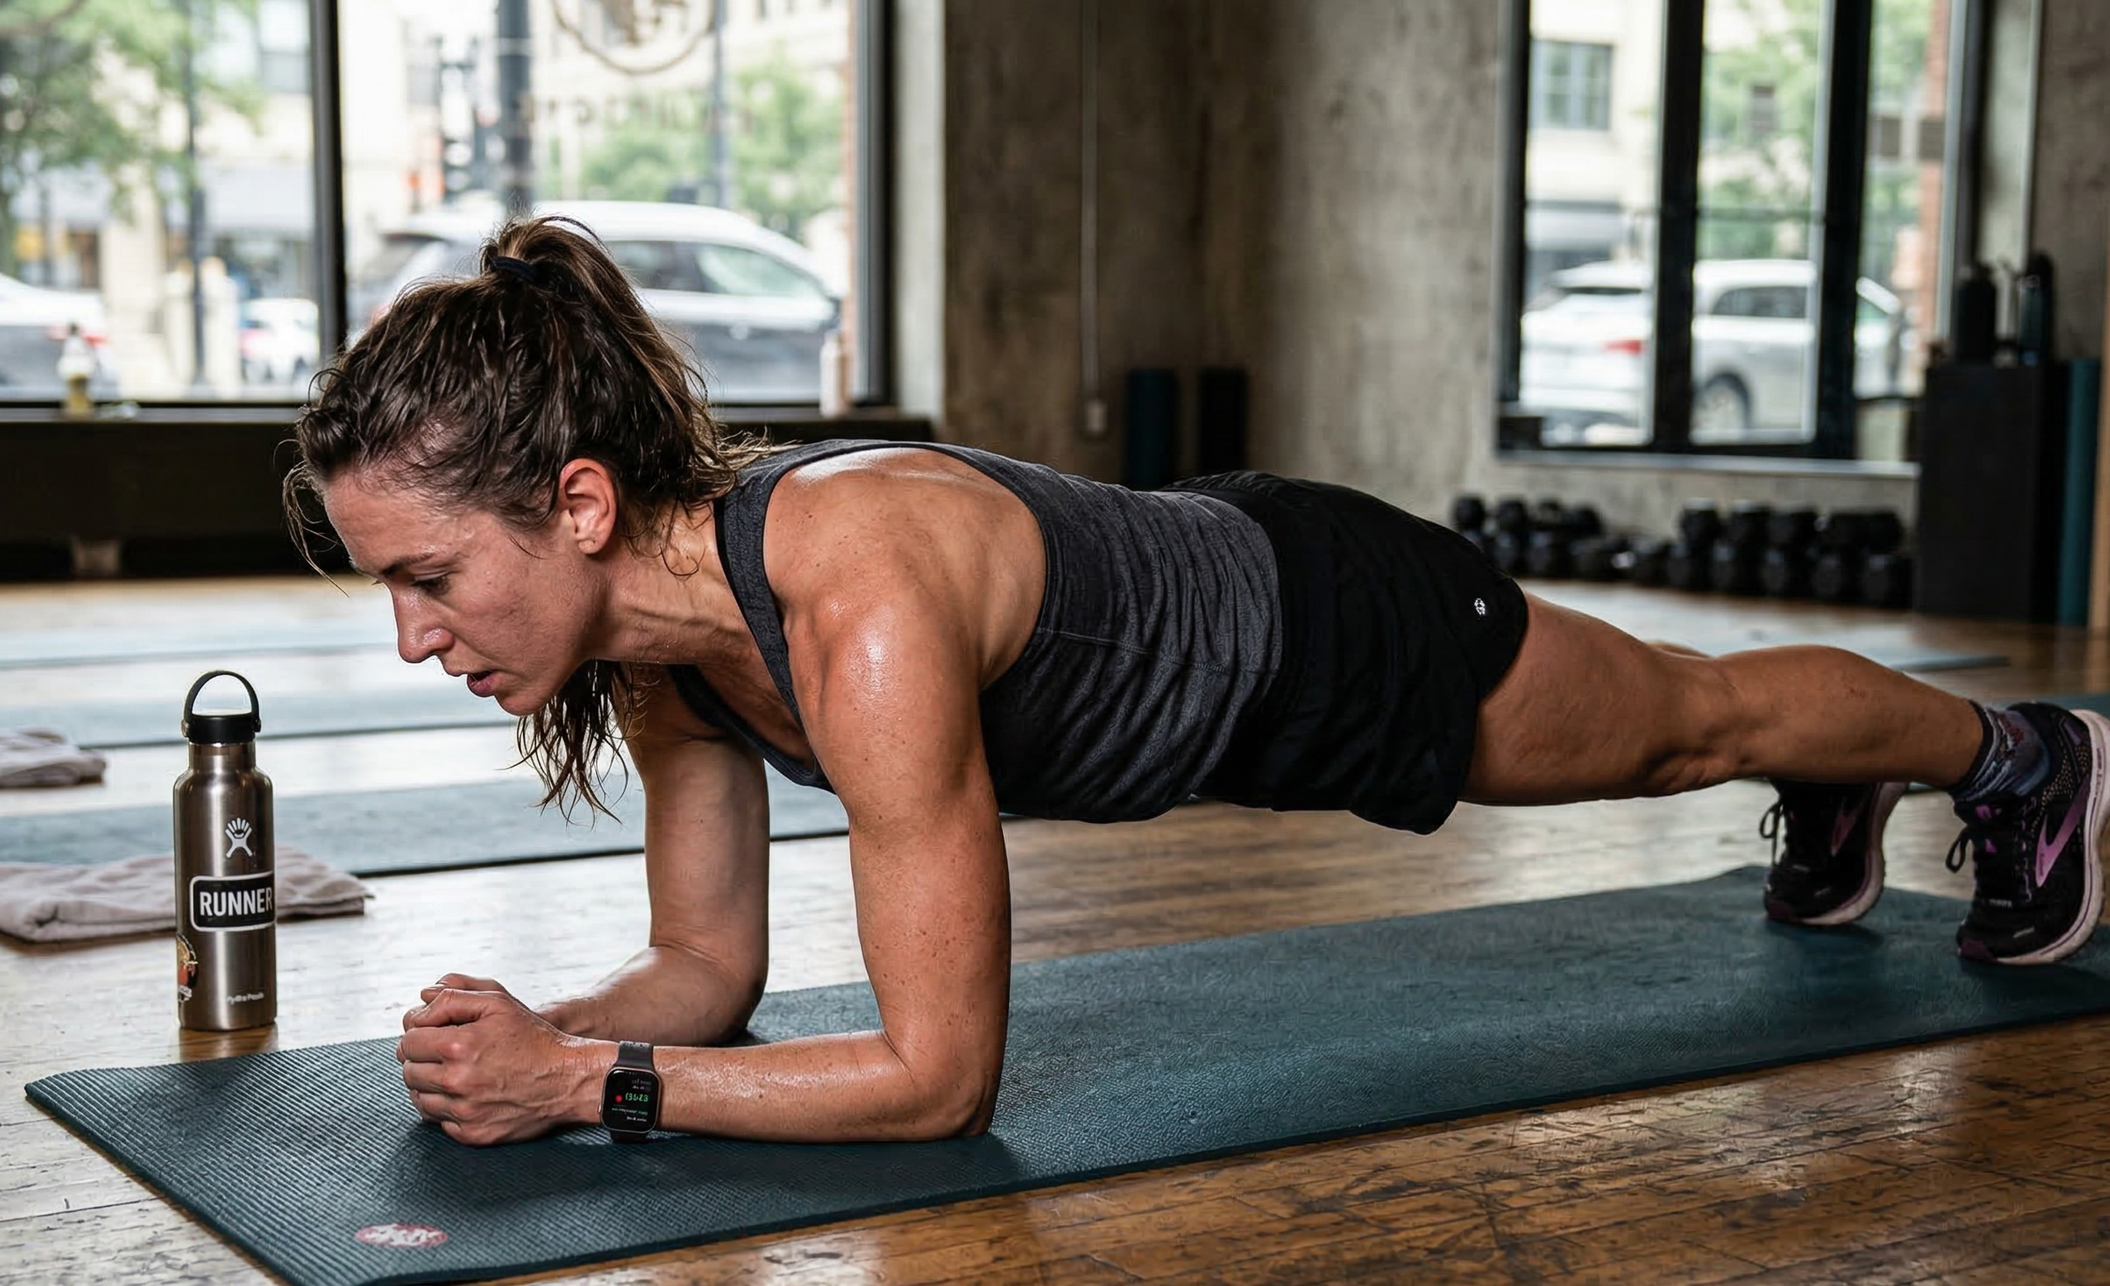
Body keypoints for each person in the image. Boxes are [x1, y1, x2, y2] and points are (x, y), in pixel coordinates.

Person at [290, 216, 2107, 1148]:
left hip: (1330, 630)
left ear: (581, 503)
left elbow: (941, 1078)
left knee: (1686, 725)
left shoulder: (854, 600)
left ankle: (2021, 756)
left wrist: (586, 1084)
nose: (415, 635)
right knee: (1688, 722)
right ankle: (1875, 785)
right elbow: (710, 970)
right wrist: (530, 1036)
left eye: (428, 577)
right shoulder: (665, 651)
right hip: (1206, 589)